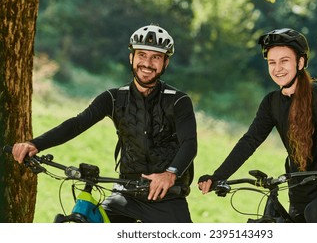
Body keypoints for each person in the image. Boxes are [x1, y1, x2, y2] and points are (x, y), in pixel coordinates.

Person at [11, 24, 197, 223]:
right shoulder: (114, 98)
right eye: (142, 55)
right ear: (131, 58)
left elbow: (189, 143)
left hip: (166, 197)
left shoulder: (178, 101)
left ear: (165, 63)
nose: (147, 63)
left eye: (156, 57)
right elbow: (76, 124)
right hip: (125, 195)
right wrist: (35, 144)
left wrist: (170, 174)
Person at [198, 28, 317, 223]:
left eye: (284, 61)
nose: (277, 68)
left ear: (300, 62)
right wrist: (217, 176)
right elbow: (250, 141)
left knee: (315, 214)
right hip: (300, 193)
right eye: (272, 62)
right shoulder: (271, 103)